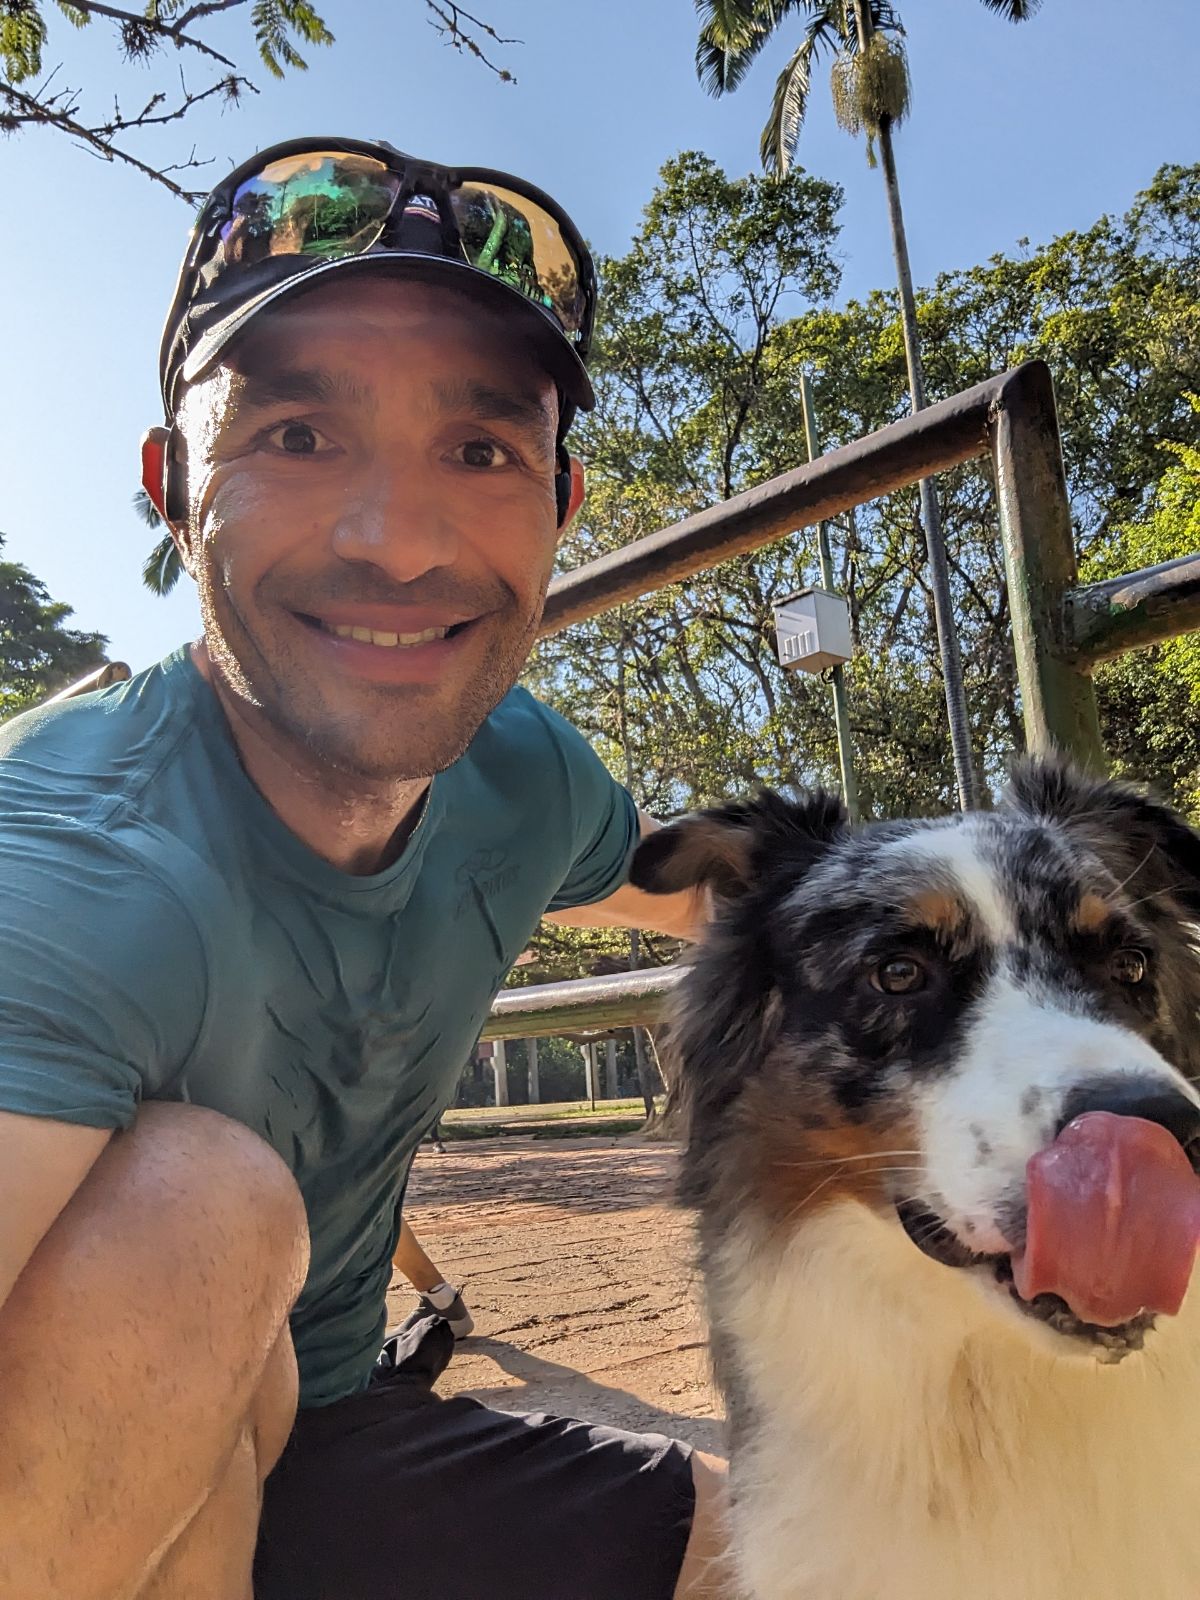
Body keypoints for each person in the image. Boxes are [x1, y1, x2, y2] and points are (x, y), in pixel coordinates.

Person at [0, 138, 726, 1599]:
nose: (399, 545)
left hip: (331, 1424)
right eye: (297, 438)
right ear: (170, 486)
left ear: (562, 507)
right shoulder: (71, 871)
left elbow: (703, 891)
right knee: (195, 1209)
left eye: (478, 452)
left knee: (766, 1541)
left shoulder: (525, 773)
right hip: (102, 1443)